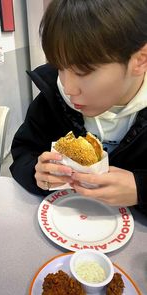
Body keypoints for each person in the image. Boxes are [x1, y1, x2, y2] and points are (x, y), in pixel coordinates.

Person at [10, 0, 147, 215]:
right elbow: (23, 152)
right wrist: (37, 173)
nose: (69, 87)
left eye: (83, 71)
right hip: (65, 221)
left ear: (140, 60)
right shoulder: (51, 97)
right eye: (60, 67)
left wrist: (141, 190)